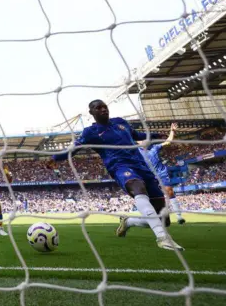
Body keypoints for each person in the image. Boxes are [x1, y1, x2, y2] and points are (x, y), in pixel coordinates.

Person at [49, 100, 183, 251]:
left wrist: (157, 134)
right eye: (98, 108)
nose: (103, 109)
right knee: (137, 187)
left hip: (141, 166)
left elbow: (137, 135)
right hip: (120, 166)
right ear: (91, 113)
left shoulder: (121, 122)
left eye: (104, 106)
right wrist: (55, 158)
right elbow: (74, 149)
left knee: (163, 219)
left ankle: (129, 222)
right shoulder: (90, 132)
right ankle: (163, 238)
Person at [136, 122, 186, 227]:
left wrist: (172, 131)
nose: (144, 140)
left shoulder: (154, 147)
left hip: (161, 173)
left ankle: (179, 216)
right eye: (141, 139)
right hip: (149, 176)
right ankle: (150, 216)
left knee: (169, 192)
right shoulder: (136, 151)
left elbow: (168, 142)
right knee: (149, 197)